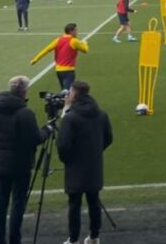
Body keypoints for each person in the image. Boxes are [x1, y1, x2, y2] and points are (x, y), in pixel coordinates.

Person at [0, 75, 53, 244]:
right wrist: (48, 129)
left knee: (1, 204)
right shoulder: (25, 113)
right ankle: (15, 240)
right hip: (21, 165)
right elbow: (35, 138)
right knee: (18, 205)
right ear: (24, 91)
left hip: (1, 163)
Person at [57, 81, 112, 244]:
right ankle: (95, 236)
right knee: (94, 201)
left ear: (74, 94)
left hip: (75, 166)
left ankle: (73, 239)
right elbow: (108, 138)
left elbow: (63, 144)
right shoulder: (101, 114)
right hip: (94, 164)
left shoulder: (70, 117)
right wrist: (95, 151)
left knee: (74, 204)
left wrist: (67, 159)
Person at [31, 23, 90, 91]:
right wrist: (85, 43)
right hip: (68, 70)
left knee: (64, 90)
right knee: (67, 92)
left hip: (58, 70)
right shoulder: (74, 41)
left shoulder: (58, 40)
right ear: (71, 31)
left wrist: (36, 59)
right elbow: (85, 50)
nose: (77, 32)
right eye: (76, 30)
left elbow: (46, 50)